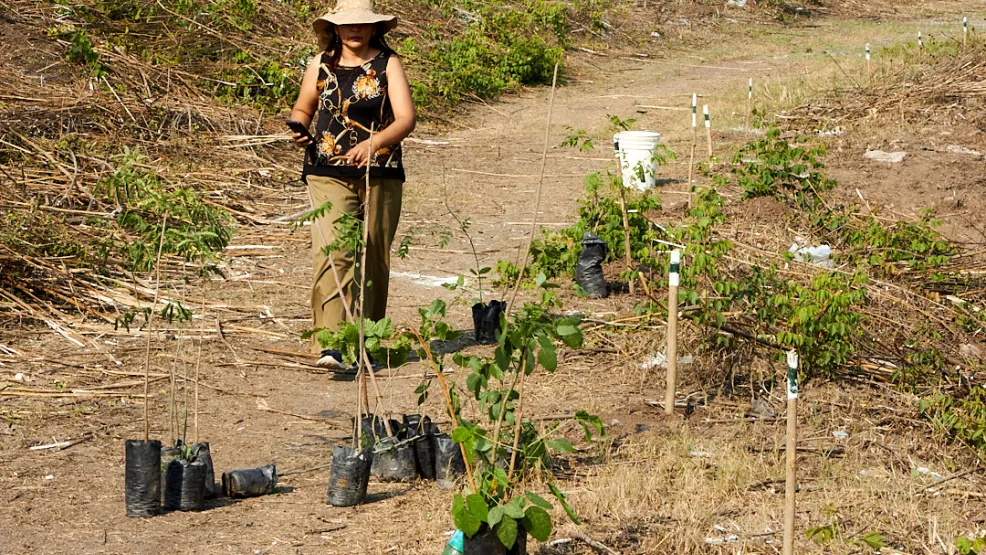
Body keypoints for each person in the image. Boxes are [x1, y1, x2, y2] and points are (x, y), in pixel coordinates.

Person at [289, 0, 415, 369]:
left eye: (362, 24)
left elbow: (406, 119)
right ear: (335, 28)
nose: (354, 30)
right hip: (326, 169)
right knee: (334, 253)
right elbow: (304, 108)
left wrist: (373, 144)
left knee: (373, 253)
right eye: (347, 24)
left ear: (374, 27)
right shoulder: (320, 63)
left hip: (380, 170)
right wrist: (299, 127)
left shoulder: (388, 63)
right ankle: (331, 345)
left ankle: (368, 343)